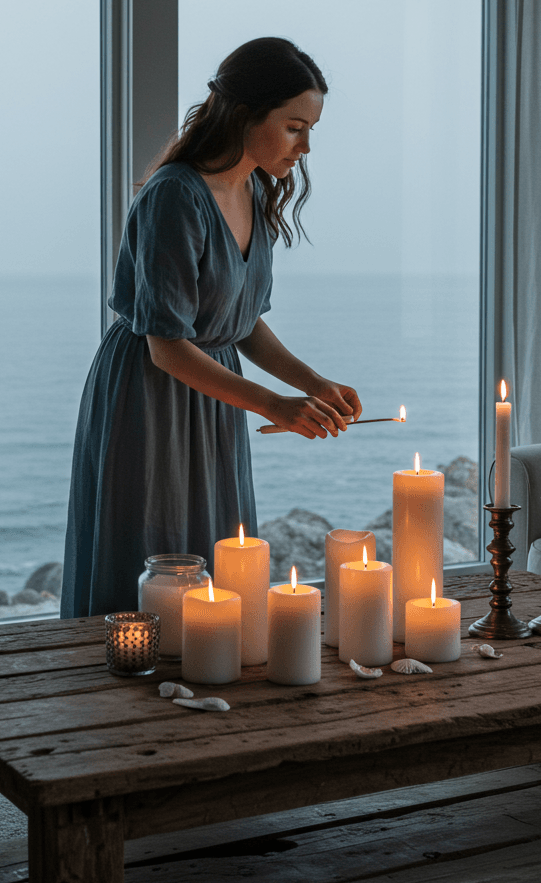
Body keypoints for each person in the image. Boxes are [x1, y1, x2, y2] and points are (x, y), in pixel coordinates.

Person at [61, 37, 362, 617]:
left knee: (215, 548)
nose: (305, 146)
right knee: (150, 555)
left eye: (311, 129)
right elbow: (168, 347)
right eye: (295, 126)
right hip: (149, 395)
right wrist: (275, 406)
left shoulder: (253, 190)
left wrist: (314, 385)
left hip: (215, 394)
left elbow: (242, 326)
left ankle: (203, 670)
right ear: (246, 115)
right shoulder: (175, 195)